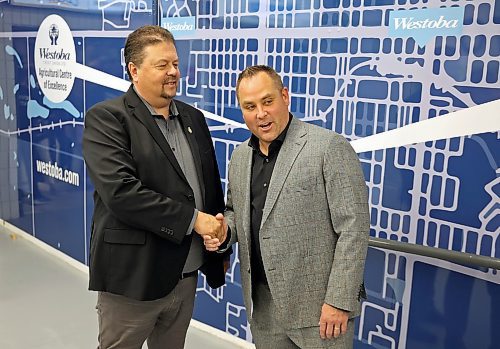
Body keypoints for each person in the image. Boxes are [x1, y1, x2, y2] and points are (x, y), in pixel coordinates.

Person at [82, 25, 230, 349]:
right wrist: (195, 220)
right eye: (162, 65)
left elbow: (207, 187)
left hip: (185, 273)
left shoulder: (193, 118)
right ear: (134, 70)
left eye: (175, 64)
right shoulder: (108, 119)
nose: (173, 72)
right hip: (134, 280)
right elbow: (122, 193)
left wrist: (221, 238)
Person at [204, 65, 370, 348]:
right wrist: (223, 234)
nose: (261, 114)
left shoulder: (328, 147)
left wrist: (339, 301)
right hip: (264, 306)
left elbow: (354, 228)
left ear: (284, 96)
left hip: (320, 311)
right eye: (250, 106)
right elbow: (235, 212)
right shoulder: (240, 157)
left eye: (267, 101)